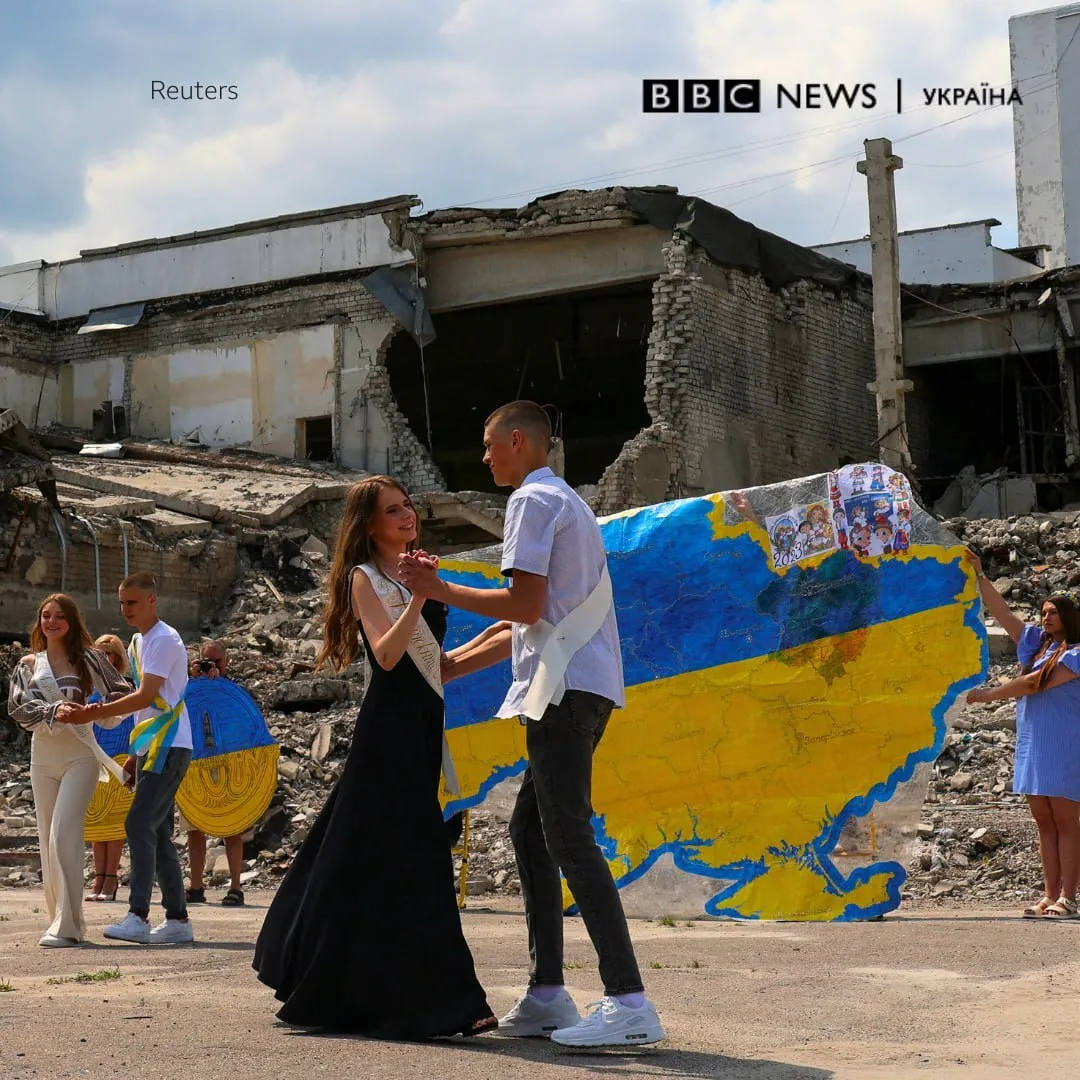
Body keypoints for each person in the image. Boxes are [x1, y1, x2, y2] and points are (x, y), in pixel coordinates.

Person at [399, 400, 665, 1048]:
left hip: (564, 692)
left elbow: (524, 601)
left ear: (518, 441)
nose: (484, 456)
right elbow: (526, 620)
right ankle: (548, 993)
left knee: (568, 837)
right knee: (530, 830)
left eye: (490, 445)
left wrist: (439, 592)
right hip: (576, 687)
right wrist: (453, 665)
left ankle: (629, 1000)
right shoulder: (563, 501)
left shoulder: (531, 502)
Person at [253, 475, 499, 1038]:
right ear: (369, 525)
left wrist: (506, 638)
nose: (406, 515)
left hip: (419, 728)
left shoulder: (416, 573)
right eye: (392, 510)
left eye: (407, 506)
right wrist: (421, 593)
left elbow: (436, 665)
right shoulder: (366, 578)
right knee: (416, 862)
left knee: (360, 860)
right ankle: (456, 1002)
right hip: (387, 734)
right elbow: (388, 658)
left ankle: (331, 980)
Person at [66, 573, 196, 944]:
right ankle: (178, 920)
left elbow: (145, 697)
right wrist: (137, 756)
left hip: (170, 745)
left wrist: (88, 714)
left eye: (133, 603)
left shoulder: (164, 640)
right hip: (155, 747)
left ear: (152, 601)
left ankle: (139, 915)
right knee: (156, 832)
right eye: (122, 602)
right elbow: (147, 702)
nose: (125, 609)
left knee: (139, 824)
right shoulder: (140, 640)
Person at [6, 595, 131, 946]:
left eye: (59, 616)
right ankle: (64, 920)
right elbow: (17, 707)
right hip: (43, 757)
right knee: (47, 838)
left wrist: (92, 711)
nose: (51, 621)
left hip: (81, 754)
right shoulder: (29, 664)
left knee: (64, 833)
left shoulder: (90, 659)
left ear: (72, 621)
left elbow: (124, 691)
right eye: (45, 615)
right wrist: (51, 711)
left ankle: (66, 926)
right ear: (39, 621)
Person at [965, 550, 1080, 919]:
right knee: (1044, 823)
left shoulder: (1075, 654)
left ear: (1068, 618)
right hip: (1033, 744)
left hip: (1062, 744)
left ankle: (1069, 897)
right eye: (1043, 612)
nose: (1046, 617)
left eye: (1053, 612)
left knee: (1065, 822)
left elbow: (1034, 684)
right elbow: (1003, 614)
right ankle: (1049, 895)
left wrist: (987, 695)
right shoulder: (1036, 645)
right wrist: (981, 575)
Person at [182, 641, 246, 907]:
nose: (213, 667)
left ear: (226, 663)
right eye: (208, 661)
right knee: (194, 829)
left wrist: (218, 685)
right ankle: (196, 886)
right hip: (195, 765)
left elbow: (244, 724)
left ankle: (235, 887)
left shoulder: (234, 692)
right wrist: (192, 679)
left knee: (232, 827)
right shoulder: (189, 687)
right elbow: (177, 712)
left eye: (218, 662)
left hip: (229, 763)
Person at [86, 633, 135, 903]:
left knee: (114, 822)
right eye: (99, 654)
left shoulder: (127, 687)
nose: (104, 659)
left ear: (118, 658)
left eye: (109, 654)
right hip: (95, 755)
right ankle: (98, 876)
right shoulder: (88, 687)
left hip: (120, 756)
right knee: (95, 819)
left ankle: (111, 878)